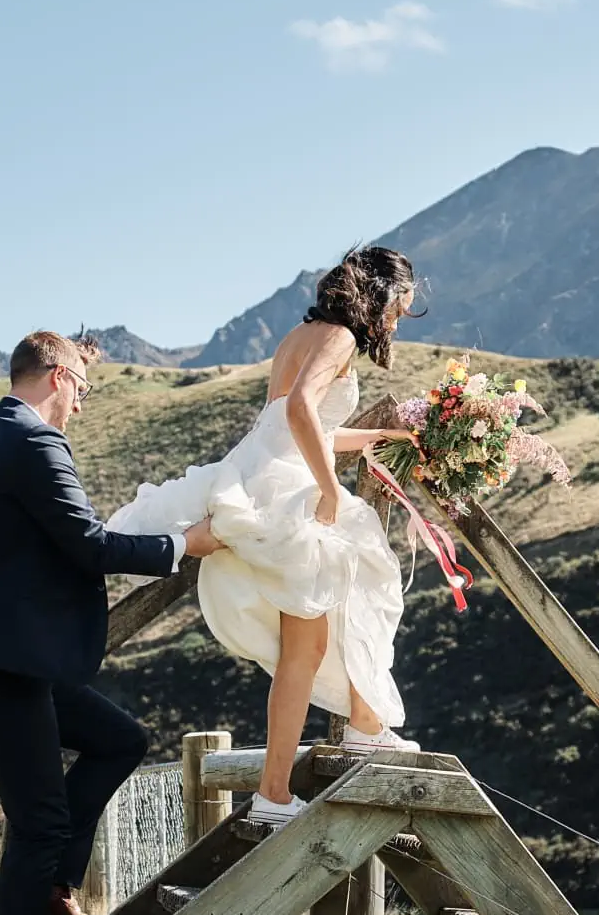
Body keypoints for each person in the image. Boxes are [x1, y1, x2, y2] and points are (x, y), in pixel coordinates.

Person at [0, 329, 222, 915]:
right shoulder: (31, 441)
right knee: (38, 823)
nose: (82, 406)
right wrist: (185, 544)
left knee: (118, 739)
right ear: (57, 376)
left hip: (0, 655)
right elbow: (85, 545)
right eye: (83, 389)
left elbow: (50, 544)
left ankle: (54, 886)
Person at [107, 246, 423, 825]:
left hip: (263, 474)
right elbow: (302, 412)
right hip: (289, 491)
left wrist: (387, 438)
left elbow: (300, 426)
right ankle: (294, 781)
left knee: (312, 644)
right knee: (336, 617)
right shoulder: (342, 338)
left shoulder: (302, 336)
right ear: (381, 297)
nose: (397, 322)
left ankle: (351, 735)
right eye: (399, 308)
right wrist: (329, 491)